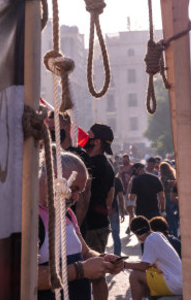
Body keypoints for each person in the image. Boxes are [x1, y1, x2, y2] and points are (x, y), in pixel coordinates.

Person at [37, 151, 123, 299]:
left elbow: (84, 252)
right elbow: (30, 277)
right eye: (75, 188)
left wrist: (104, 260)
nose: (76, 197)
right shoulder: (30, 218)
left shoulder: (67, 213)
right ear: (54, 176)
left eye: (80, 191)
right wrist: (81, 270)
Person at [83, 123, 116, 300]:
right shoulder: (108, 165)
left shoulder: (89, 163)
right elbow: (109, 197)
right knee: (97, 275)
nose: (84, 137)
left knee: (92, 275)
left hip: (91, 226)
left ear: (96, 141)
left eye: (88, 134)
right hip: (100, 224)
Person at [47, 110, 92, 226]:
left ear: (68, 128)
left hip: (72, 222)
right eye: (49, 129)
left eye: (55, 128)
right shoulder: (48, 154)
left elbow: (84, 194)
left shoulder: (80, 156)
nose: (51, 132)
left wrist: (76, 226)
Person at [125, 216, 183, 299]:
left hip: (174, 284)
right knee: (146, 271)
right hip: (178, 281)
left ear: (136, 234)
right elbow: (146, 264)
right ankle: (145, 298)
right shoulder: (157, 235)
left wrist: (124, 265)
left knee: (134, 275)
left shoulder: (150, 240)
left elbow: (143, 266)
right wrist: (127, 264)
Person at [158, 161, 179, 237]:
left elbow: (161, 191)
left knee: (168, 219)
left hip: (166, 199)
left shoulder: (162, 179)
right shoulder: (173, 177)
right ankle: (175, 235)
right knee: (174, 220)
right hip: (174, 199)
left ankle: (170, 236)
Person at [109, 175, 125, 256]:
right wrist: (122, 211)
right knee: (115, 234)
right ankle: (117, 256)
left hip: (100, 210)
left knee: (99, 234)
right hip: (113, 210)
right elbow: (120, 197)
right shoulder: (116, 180)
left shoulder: (99, 178)